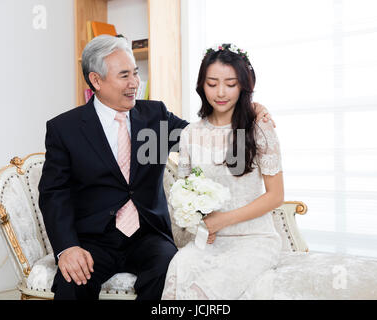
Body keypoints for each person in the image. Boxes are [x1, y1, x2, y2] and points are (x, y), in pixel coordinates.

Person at [38, 35, 273, 300]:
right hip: (93, 240)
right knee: (71, 285)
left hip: (148, 236)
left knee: (168, 269)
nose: (135, 84)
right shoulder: (64, 129)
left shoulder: (155, 115)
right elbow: (53, 194)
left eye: (135, 73)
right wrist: (67, 248)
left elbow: (204, 135)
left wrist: (249, 108)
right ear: (96, 81)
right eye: (124, 76)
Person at [162, 43, 284, 300]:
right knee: (177, 274)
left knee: (201, 293)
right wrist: (197, 226)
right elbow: (185, 192)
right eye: (212, 83)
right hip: (208, 240)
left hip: (254, 240)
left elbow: (275, 196)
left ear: (243, 86)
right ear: (201, 85)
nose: (220, 92)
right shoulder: (190, 134)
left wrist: (222, 220)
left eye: (230, 84)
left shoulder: (259, 128)